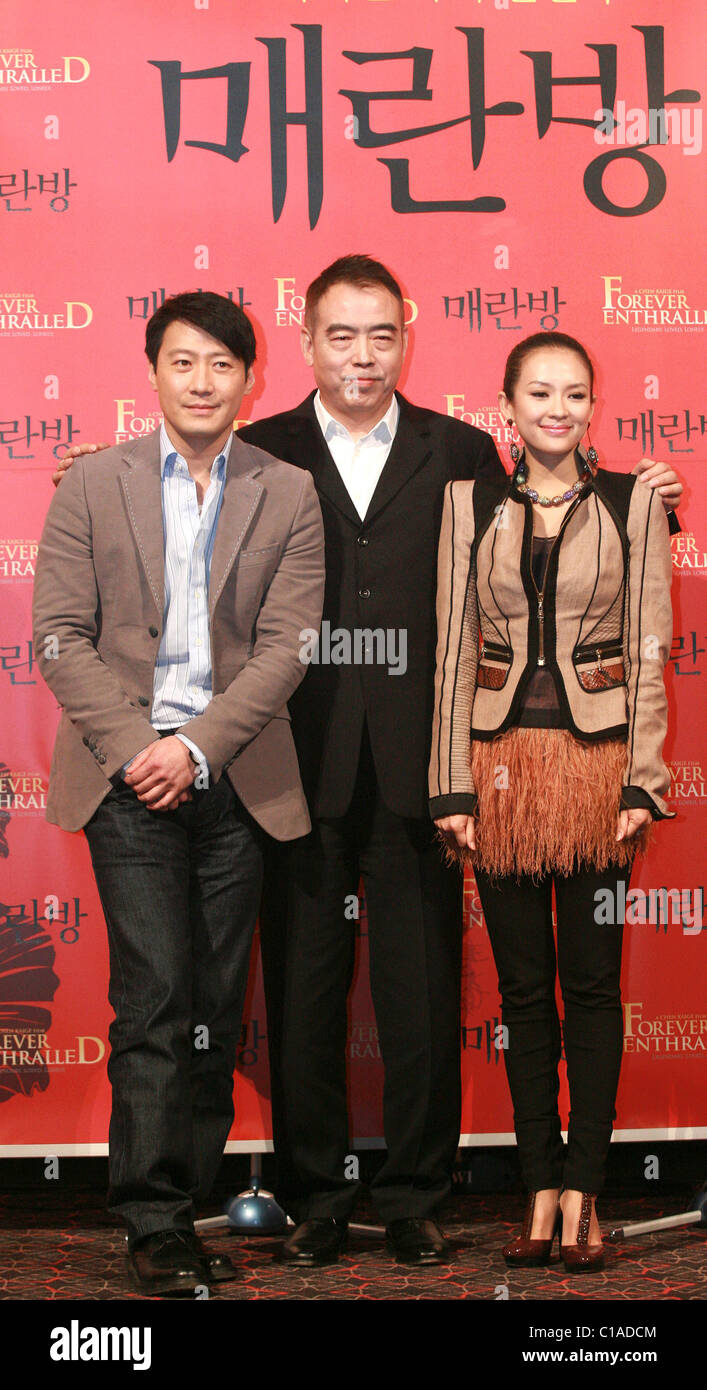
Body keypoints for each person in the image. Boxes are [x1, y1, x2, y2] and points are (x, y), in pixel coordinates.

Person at [53, 257, 682, 1268]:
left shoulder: (461, 448)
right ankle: (313, 1195)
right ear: (304, 343)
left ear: (408, 334)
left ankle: (413, 1195)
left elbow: (546, 533)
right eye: (338, 335)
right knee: (299, 997)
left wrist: (644, 489)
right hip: (278, 759)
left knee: (420, 991)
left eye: (378, 334)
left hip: (421, 763)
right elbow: (157, 508)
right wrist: (90, 467)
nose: (358, 354)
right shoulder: (257, 449)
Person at [33, 292, 325, 1294]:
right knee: (155, 996)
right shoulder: (91, 483)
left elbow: (288, 646)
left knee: (208, 1001)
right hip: (126, 780)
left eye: (221, 366)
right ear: (151, 370)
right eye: (183, 362)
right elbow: (60, 635)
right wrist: (139, 749)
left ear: (251, 380)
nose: (202, 382)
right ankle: (154, 1219)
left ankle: (185, 1193)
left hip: (235, 776)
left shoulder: (285, 491)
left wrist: (195, 747)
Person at [429, 331, 674, 1272]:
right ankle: (537, 1183)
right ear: (508, 404)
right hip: (496, 776)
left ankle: (585, 1189)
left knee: (593, 986)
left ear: (592, 408)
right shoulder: (469, 504)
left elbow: (650, 646)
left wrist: (642, 781)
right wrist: (448, 782)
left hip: (595, 770)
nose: (558, 409)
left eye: (575, 394)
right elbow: (452, 651)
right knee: (524, 991)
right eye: (539, 392)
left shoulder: (631, 502)